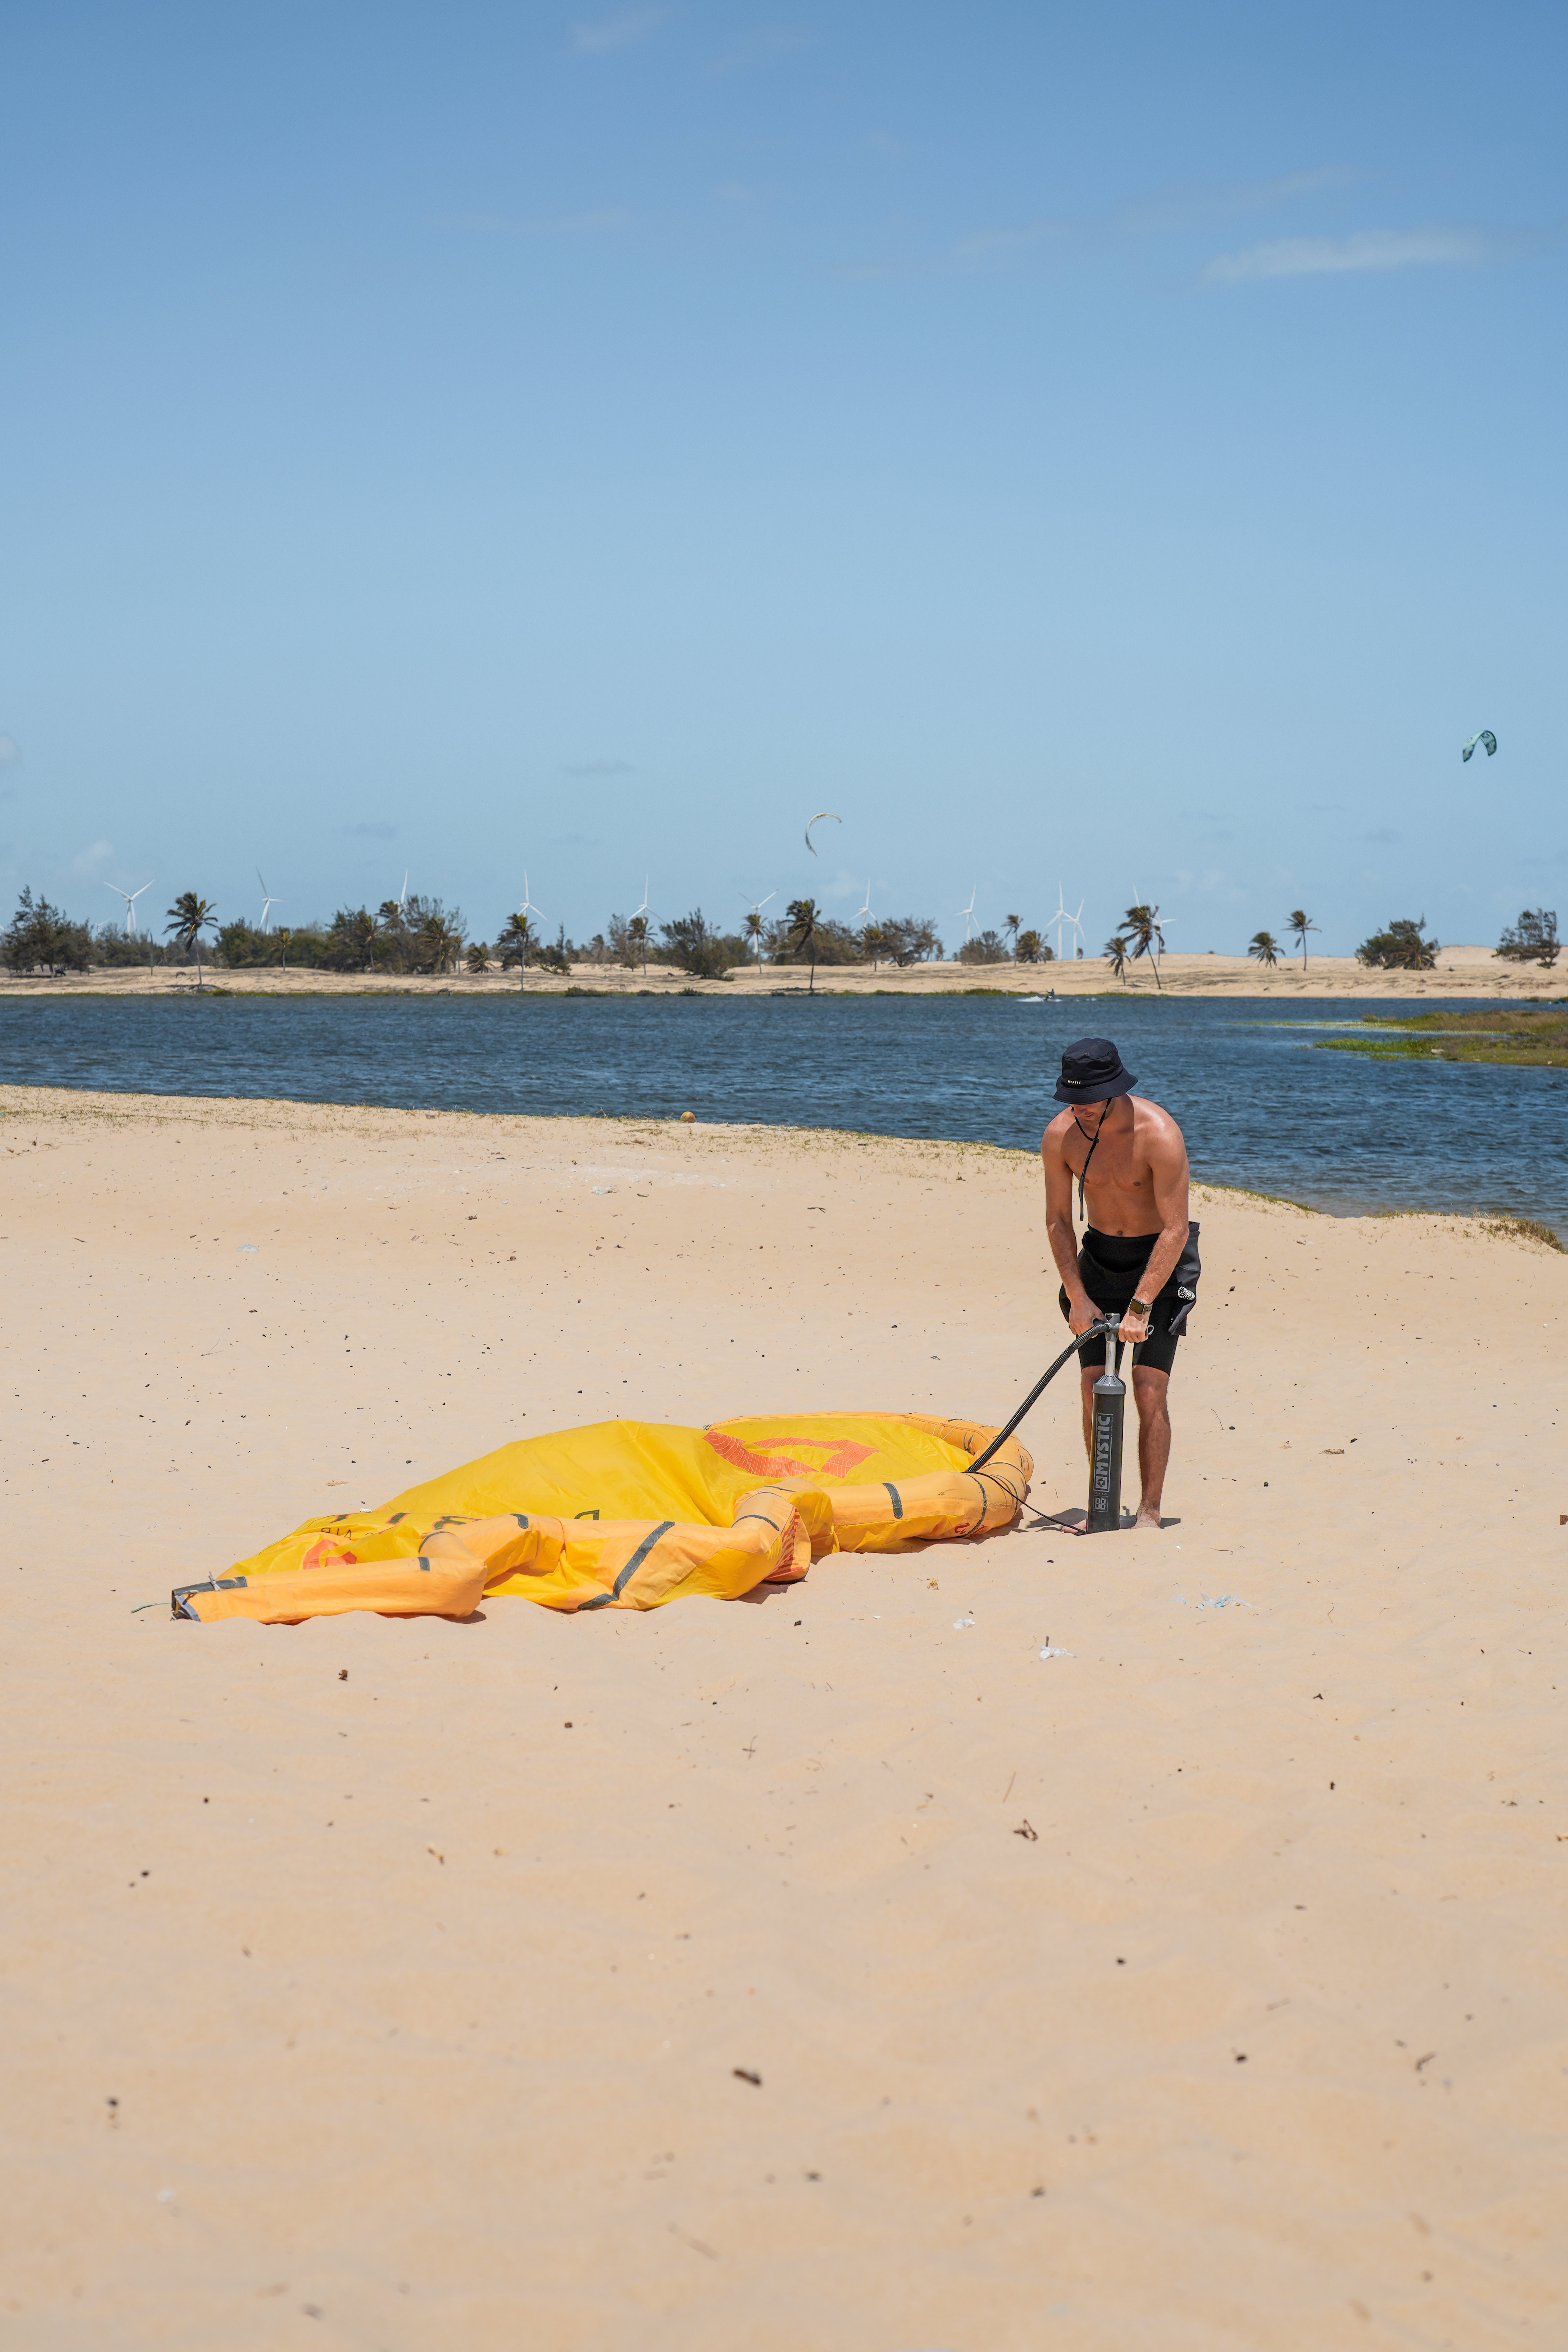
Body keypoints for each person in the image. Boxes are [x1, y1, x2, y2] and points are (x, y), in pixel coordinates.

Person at [1041, 1037, 1199, 1529]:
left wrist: (1141, 1304)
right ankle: (1102, 1505)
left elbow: (1176, 1230)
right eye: (1072, 1099)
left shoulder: (1159, 1134)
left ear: (1114, 1091)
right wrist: (1077, 1296)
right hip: (1099, 1260)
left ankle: (1150, 1512)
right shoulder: (1060, 1135)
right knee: (1093, 1386)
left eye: (1088, 1100)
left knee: (1148, 1388)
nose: (1079, 1109)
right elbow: (1058, 1221)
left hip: (1160, 1264)